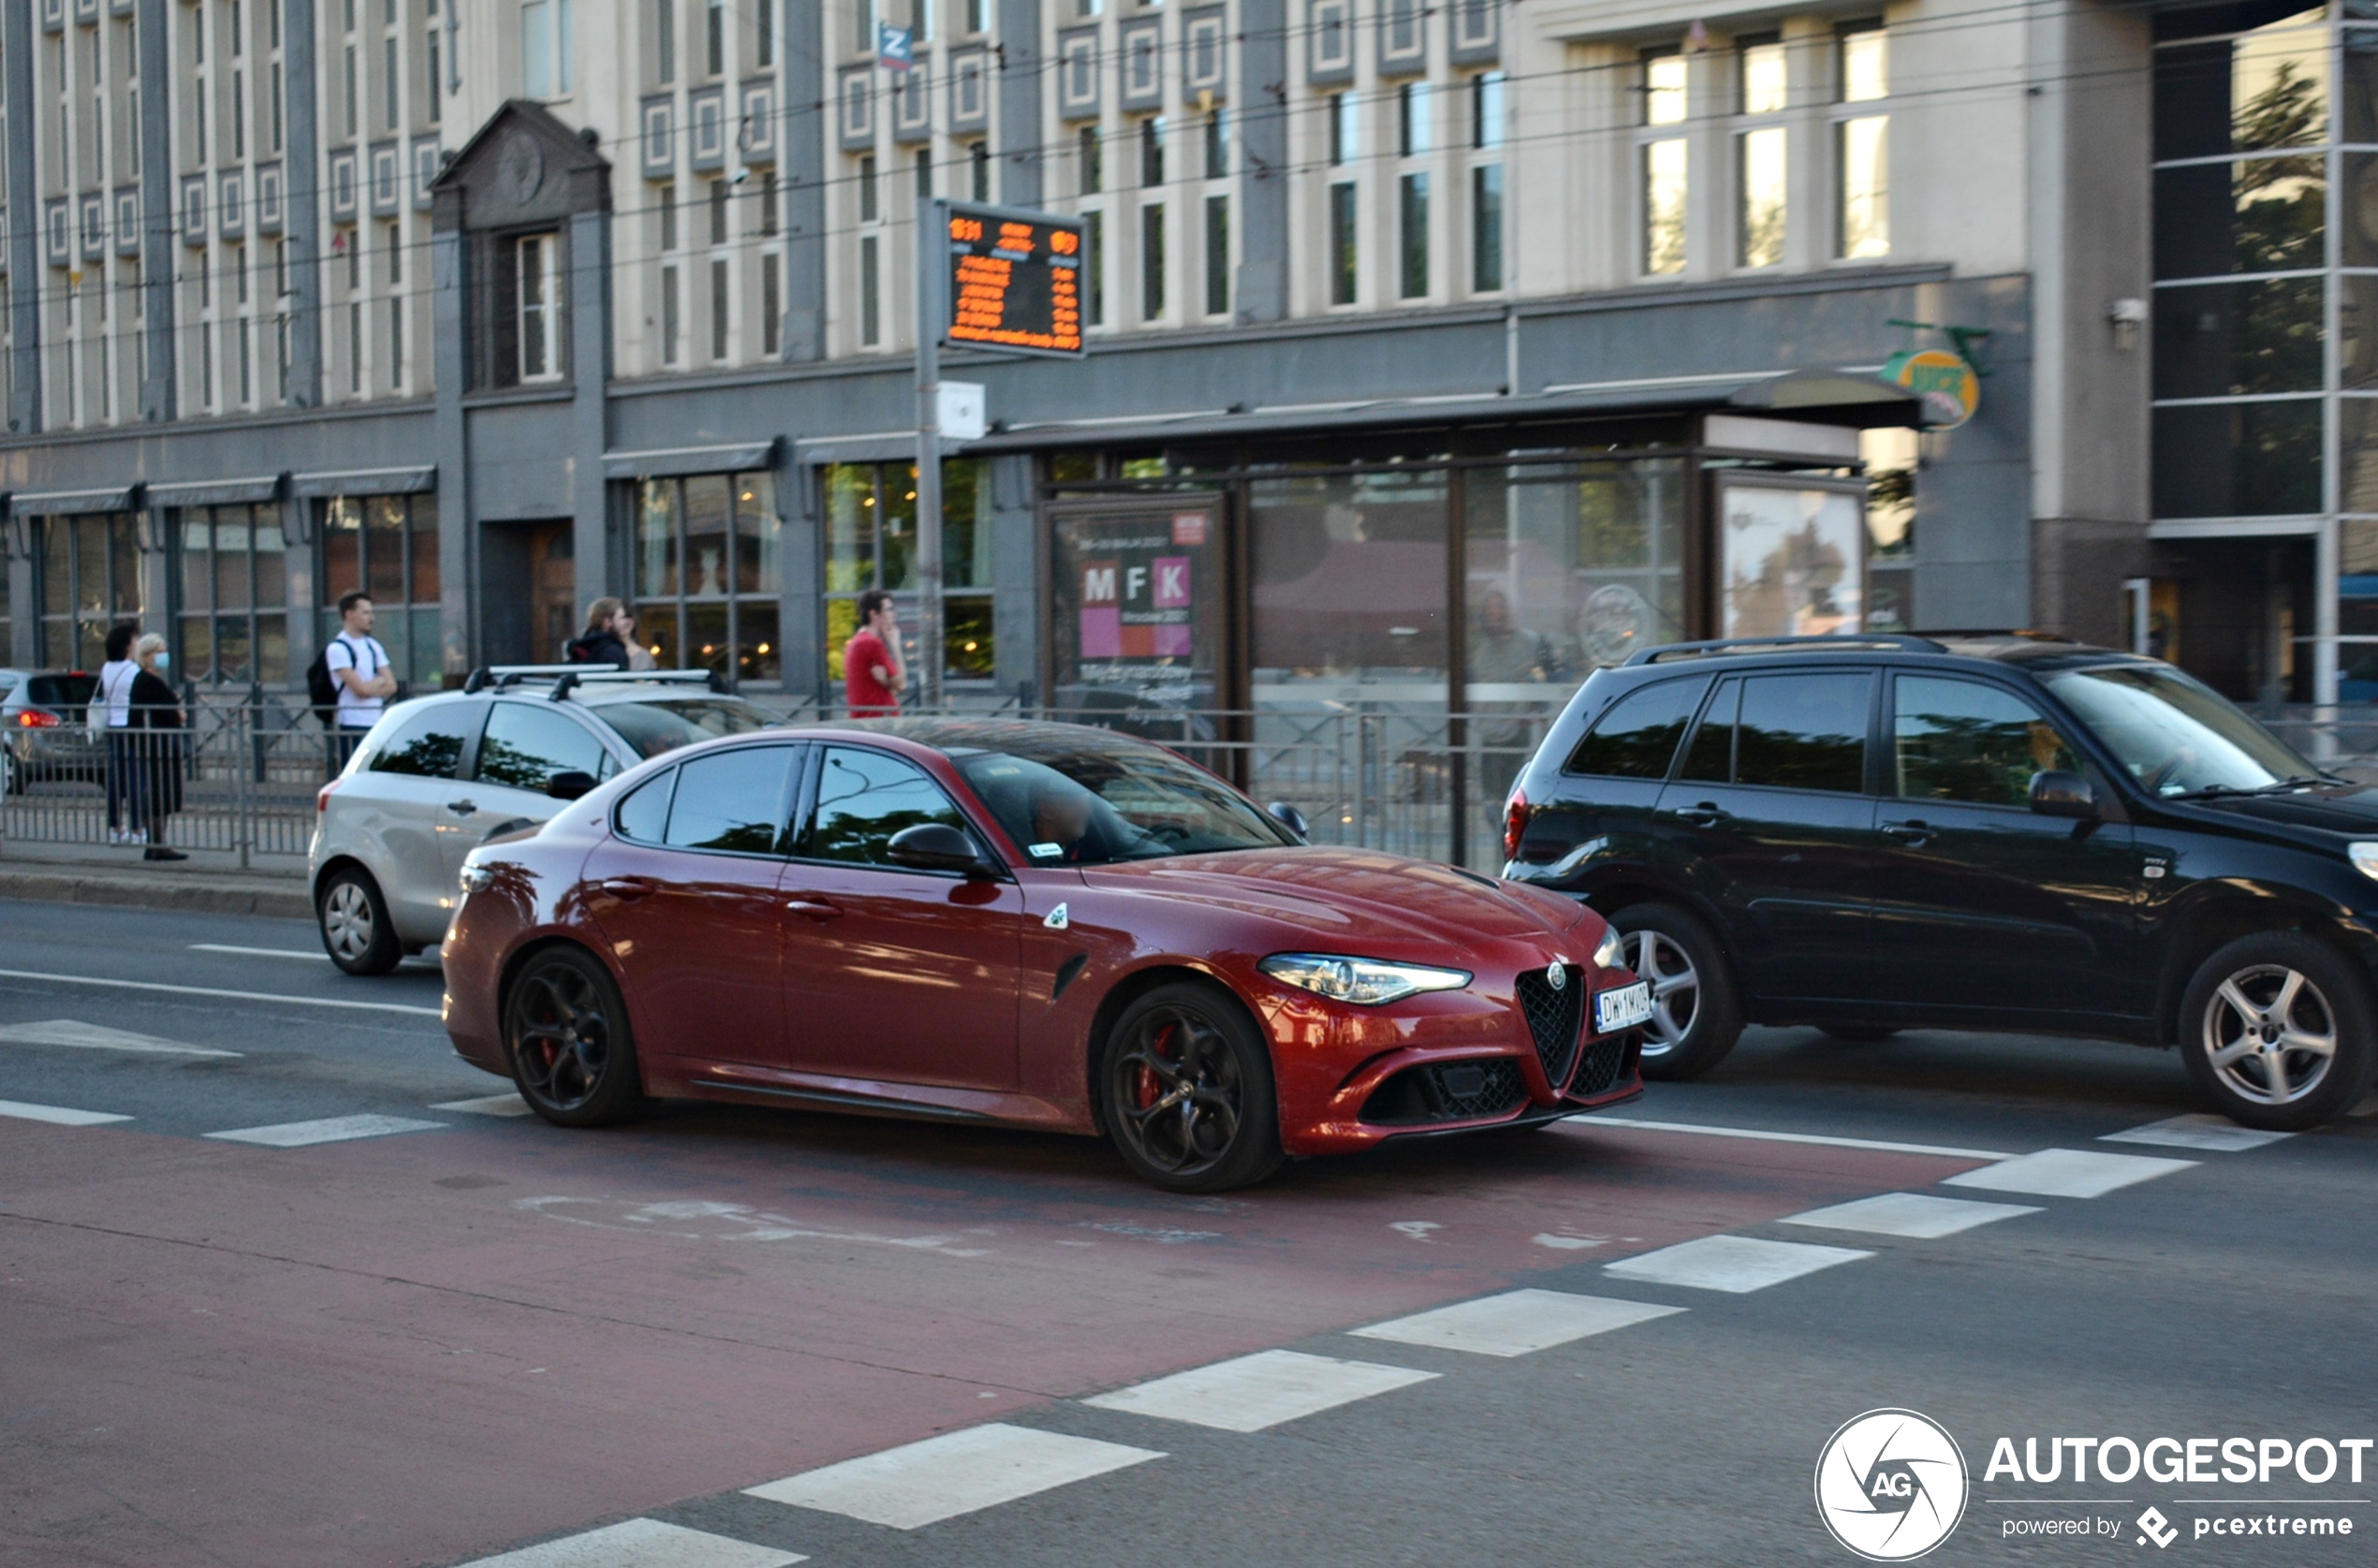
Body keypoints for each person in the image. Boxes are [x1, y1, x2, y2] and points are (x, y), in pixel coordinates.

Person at [125, 634, 187, 862]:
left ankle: (157, 844)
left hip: (159, 747)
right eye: (159, 652)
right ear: (146, 656)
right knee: (159, 795)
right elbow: (165, 712)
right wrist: (178, 715)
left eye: (164, 650)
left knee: (163, 794)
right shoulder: (147, 681)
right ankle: (157, 845)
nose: (164, 656)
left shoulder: (150, 680)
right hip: (156, 747)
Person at [325, 592, 396, 772]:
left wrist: (374, 685)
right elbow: (360, 690)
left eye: (371, 612)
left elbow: (392, 685)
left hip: (376, 721)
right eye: (365, 613)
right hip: (352, 723)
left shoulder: (373, 645)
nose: (371, 618)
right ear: (349, 614)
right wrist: (379, 681)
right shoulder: (338, 648)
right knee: (354, 773)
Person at [95, 622, 144, 846]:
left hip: (112, 727)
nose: (137, 644)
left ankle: (116, 827)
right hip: (130, 727)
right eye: (135, 640)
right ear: (126, 645)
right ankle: (137, 827)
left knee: (116, 779)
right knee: (135, 779)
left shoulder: (107, 668)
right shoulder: (133, 670)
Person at [844, 589, 904, 716]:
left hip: (872, 720)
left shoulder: (858, 641)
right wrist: (895, 644)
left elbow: (890, 688)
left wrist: (886, 682)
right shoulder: (871, 643)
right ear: (874, 614)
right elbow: (901, 684)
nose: (893, 614)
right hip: (878, 723)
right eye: (888, 610)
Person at [565, 597, 633, 668]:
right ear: (607, 622)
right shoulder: (614, 652)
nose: (626, 622)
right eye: (621, 618)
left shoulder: (584, 647)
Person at [616, 606, 660, 671]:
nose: (626, 622)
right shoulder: (605, 652)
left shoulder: (644, 656)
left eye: (629, 618)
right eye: (620, 618)